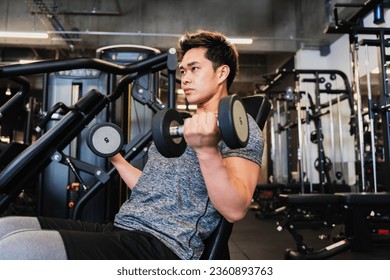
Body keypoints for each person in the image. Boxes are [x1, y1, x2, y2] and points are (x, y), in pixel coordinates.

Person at [0, 30, 264, 260]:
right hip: (123, 227)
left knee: (18, 250)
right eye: (182, 70)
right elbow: (149, 188)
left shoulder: (240, 127)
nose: (184, 77)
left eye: (194, 68)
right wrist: (115, 158)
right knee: (6, 229)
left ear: (222, 72)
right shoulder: (181, 125)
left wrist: (206, 150)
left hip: (163, 245)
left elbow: (235, 208)